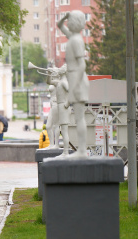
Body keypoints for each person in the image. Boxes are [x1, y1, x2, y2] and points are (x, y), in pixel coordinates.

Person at [57, 11, 89, 158]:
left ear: (74, 22)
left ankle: (82, 151)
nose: (67, 23)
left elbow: (82, 65)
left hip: (77, 79)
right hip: (74, 78)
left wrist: (74, 87)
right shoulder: (74, 37)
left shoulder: (76, 41)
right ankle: (82, 150)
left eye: (70, 20)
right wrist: (65, 16)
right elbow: (59, 25)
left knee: (79, 118)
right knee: (78, 118)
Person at [47, 64, 70, 156]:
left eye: (61, 68)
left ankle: (66, 152)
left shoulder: (64, 82)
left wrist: (67, 104)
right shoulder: (59, 82)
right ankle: (65, 152)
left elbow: (71, 92)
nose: (59, 69)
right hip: (60, 106)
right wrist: (49, 74)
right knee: (63, 130)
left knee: (64, 130)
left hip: (63, 106)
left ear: (64, 71)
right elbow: (49, 82)